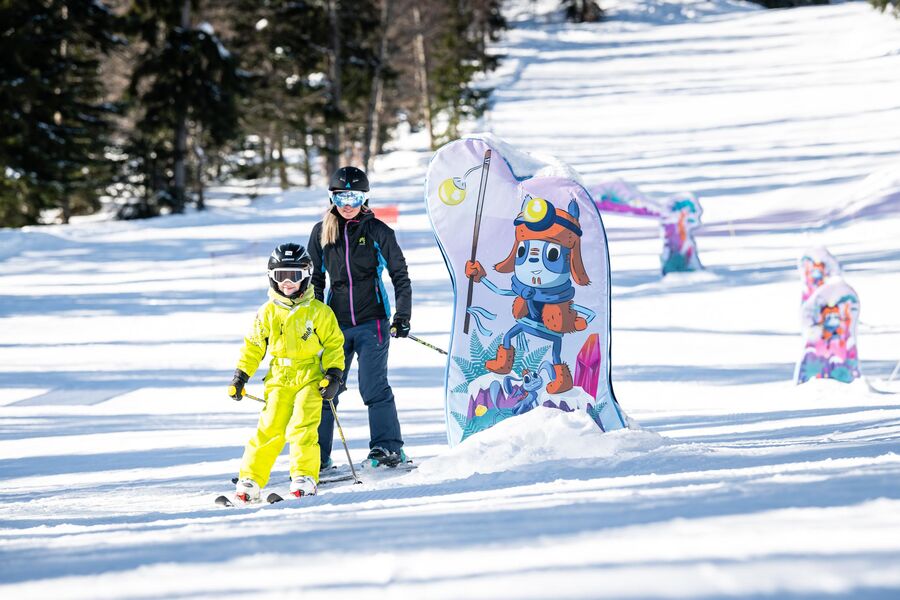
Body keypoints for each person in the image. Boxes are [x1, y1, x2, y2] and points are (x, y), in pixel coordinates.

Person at [307, 166, 412, 469]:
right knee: (327, 388)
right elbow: (315, 281)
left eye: (354, 196)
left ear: (365, 198)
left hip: (373, 322)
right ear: (332, 198)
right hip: (334, 326)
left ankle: (387, 448)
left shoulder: (378, 231)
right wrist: (315, 322)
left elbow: (400, 276)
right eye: (341, 197)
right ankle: (317, 456)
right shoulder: (321, 232)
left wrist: (402, 315)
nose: (348, 204)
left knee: (373, 386)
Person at [228, 243, 345, 503]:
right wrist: (241, 376)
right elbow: (254, 346)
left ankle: (304, 477)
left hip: (311, 377)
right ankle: (251, 479)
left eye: (294, 275)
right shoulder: (268, 312)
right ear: (272, 277)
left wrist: (334, 375)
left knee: (303, 426)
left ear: (306, 275)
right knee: (270, 426)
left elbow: (334, 345)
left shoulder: (319, 312)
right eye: (281, 276)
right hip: (279, 378)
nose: (288, 283)